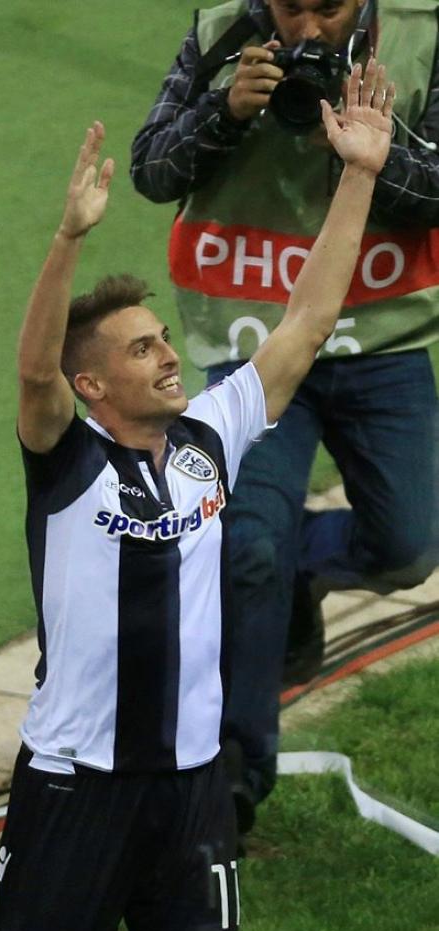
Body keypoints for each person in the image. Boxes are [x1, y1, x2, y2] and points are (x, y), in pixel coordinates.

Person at [0, 60, 393, 931]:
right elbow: (31, 373)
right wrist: (68, 237)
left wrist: (358, 174)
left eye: (163, 338)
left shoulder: (209, 439)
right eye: (139, 349)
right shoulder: (65, 460)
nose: (167, 355)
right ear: (93, 383)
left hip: (191, 783)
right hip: (76, 787)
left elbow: (303, 326)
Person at [130, 0, 439, 836]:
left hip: (381, 337)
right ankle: (235, 773)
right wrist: (225, 112)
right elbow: (151, 168)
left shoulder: (425, 34)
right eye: (289, 6)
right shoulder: (225, 31)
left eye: (326, 9)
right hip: (254, 341)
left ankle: (300, 569)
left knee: (411, 548)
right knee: (248, 550)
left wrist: (369, 147)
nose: (305, 29)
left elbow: (437, 192)